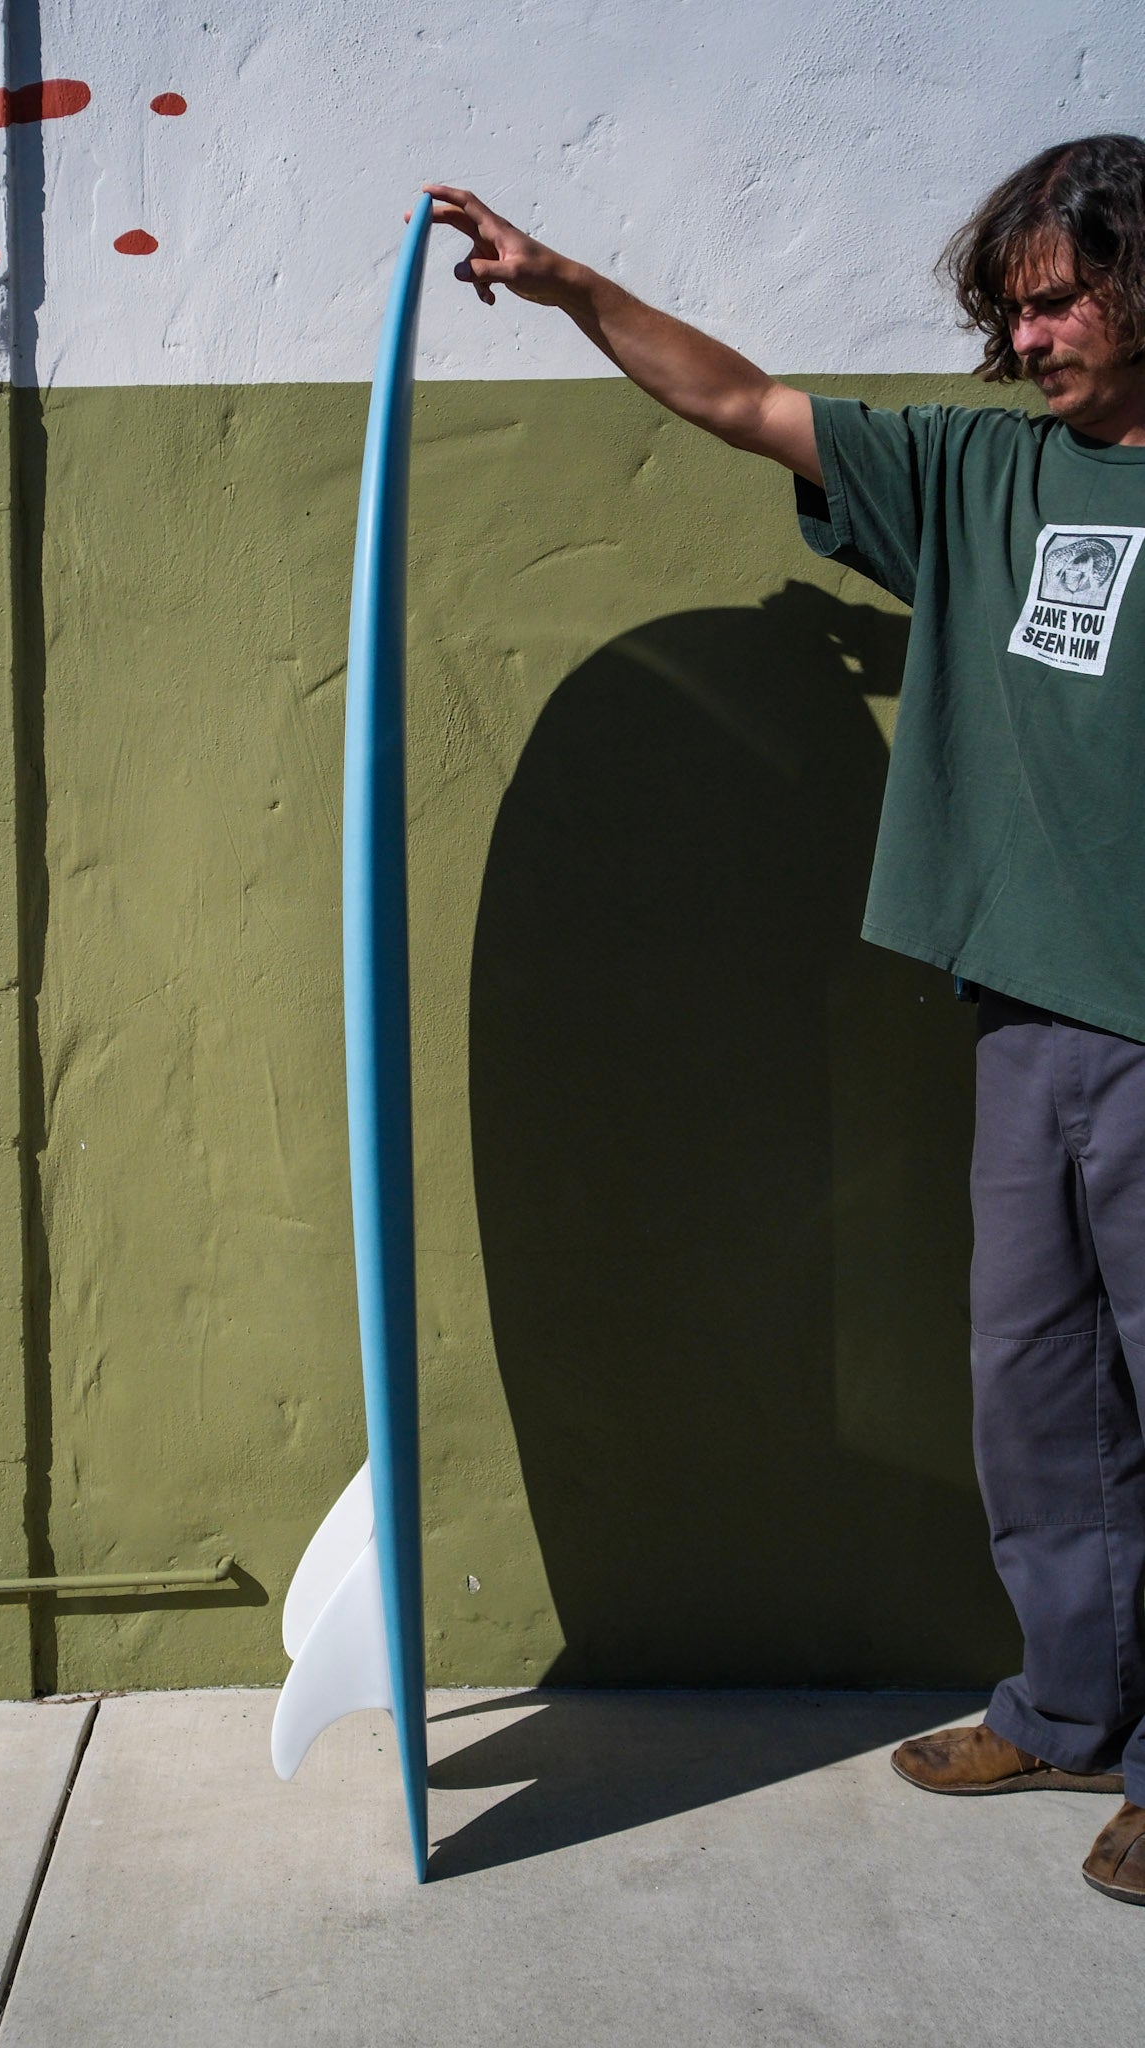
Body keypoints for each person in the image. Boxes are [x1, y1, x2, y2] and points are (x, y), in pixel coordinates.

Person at [424, 133, 1145, 1908]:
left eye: (1061, 301)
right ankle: (1070, 1706)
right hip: (1024, 1016)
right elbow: (743, 401)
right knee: (1036, 1393)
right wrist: (568, 286)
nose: (1029, 337)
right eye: (1014, 310)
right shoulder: (981, 475)